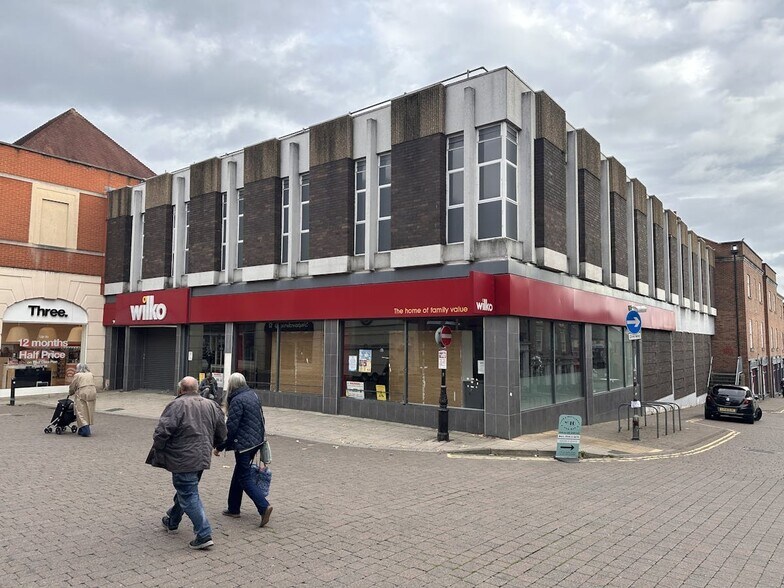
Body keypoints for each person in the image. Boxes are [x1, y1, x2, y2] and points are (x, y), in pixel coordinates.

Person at [146, 376, 227, 550]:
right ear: (196, 388)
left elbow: (162, 432)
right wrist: (218, 445)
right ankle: (172, 520)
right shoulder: (211, 405)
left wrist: (159, 449)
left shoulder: (176, 405)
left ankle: (204, 533)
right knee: (187, 489)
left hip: (182, 458)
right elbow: (222, 430)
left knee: (188, 493)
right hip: (202, 457)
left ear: (181, 389)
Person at [215, 372, 272, 528]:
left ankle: (263, 506)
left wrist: (220, 446)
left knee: (244, 477)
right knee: (239, 473)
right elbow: (261, 419)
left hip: (244, 445)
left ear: (231, 385)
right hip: (255, 442)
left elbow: (231, 428)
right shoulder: (253, 395)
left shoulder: (237, 400)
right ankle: (233, 508)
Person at [68, 363, 97, 437]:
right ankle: (82, 428)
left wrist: (70, 393)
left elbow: (73, 386)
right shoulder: (90, 374)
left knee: (81, 411)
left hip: (82, 393)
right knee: (89, 410)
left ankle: (85, 430)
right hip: (92, 393)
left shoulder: (78, 375)